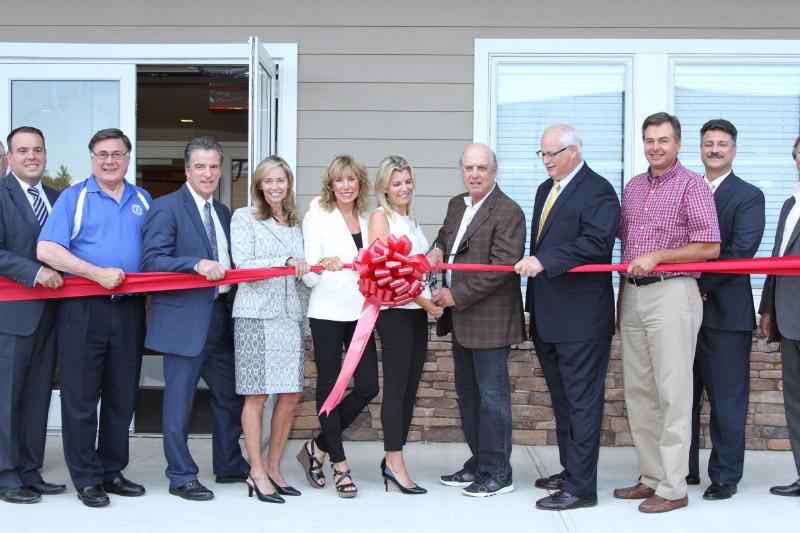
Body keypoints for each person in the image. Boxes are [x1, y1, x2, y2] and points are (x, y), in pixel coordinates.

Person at [37, 128, 150, 508]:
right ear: (91, 158)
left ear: (127, 158)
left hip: (130, 309)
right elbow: (47, 249)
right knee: (82, 398)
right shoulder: (74, 197)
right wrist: (95, 273)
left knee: (122, 396)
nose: (109, 161)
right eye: (102, 154)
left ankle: (111, 470)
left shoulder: (143, 199)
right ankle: (86, 477)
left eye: (117, 154)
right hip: (84, 310)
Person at [614, 112, 720, 513]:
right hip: (634, 297)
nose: (654, 146)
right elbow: (624, 246)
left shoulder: (692, 185)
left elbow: (710, 245)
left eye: (663, 139)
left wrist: (658, 257)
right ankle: (651, 477)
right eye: (648, 140)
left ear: (677, 144)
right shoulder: (634, 187)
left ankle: (674, 487)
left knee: (673, 392)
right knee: (640, 392)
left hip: (673, 292)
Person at [514, 124, 619, 510]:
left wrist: (545, 261)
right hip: (548, 316)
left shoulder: (599, 190)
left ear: (573, 151)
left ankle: (581, 488)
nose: (545, 162)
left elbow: (596, 242)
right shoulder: (546, 190)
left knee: (582, 402)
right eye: (541, 154)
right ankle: (570, 471)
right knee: (562, 401)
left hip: (582, 320)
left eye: (551, 154)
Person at [141, 136, 249, 501]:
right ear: (187, 170)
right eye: (200, 166)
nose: (208, 173)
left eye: (214, 166)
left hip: (220, 319)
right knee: (179, 403)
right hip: (183, 321)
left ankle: (229, 464)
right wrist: (194, 264)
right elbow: (152, 261)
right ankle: (181, 475)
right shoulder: (166, 207)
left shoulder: (222, 212)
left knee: (229, 397)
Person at [431, 143, 526, 497]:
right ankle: (479, 463)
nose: (474, 174)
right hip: (461, 321)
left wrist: (456, 295)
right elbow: (446, 239)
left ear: (494, 171)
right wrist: (438, 247)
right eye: (469, 168)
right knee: (468, 397)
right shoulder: (457, 204)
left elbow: (502, 267)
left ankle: (499, 473)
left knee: (493, 399)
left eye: (482, 168)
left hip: (490, 319)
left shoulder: (509, 211)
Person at [687, 119, 765, 500]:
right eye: (708, 144)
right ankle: (681, 471)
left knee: (726, 401)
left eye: (721, 144)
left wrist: (695, 287)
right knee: (680, 397)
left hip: (725, 315)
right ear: (699, 149)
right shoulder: (685, 191)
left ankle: (725, 477)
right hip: (682, 315)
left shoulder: (748, 196)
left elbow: (740, 252)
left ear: (733, 150)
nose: (714, 149)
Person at [296, 154, 378, 498]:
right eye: (339, 180)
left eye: (352, 179)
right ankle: (339, 464)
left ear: (360, 183)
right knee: (329, 387)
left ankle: (317, 447)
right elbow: (309, 276)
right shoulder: (318, 217)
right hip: (328, 311)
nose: (346, 186)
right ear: (331, 185)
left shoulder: (369, 218)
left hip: (361, 312)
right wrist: (320, 266)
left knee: (368, 386)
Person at [230, 156, 310, 503]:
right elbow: (243, 264)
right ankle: (256, 470)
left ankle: (275, 467)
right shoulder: (244, 217)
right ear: (259, 185)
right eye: (269, 181)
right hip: (255, 316)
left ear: (289, 183)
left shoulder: (296, 223)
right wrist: (285, 261)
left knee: (290, 395)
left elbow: (305, 274)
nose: (275, 186)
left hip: (290, 318)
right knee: (257, 396)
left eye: (281, 180)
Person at [367, 155, 443, 495]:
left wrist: (435, 261)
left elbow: (420, 268)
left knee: (411, 387)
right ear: (384, 186)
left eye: (408, 181)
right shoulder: (380, 218)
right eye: (397, 183)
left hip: (416, 312)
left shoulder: (410, 220)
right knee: (396, 388)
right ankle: (394, 462)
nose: (404, 188)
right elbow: (387, 274)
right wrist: (426, 302)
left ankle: (394, 459)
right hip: (396, 312)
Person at [0, 127, 65, 504]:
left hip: (52, 316)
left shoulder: (57, 198)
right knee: (8, 397)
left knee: (38, 395)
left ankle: (28, 468)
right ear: (10, 157)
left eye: (38, 150)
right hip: (13, 317)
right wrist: (35, 272)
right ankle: (6, 473)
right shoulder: (1, 194)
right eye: (22, 150)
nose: (32, 156)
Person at [759, 134, 800, 497]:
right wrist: (767, 306)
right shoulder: (790, 203)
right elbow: (777, 258)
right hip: (789, 316)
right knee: (796, 403)